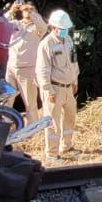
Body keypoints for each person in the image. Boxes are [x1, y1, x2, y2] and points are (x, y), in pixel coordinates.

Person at [36, 9, 80, 158]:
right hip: (54, 88)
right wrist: (48, 90)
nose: (65, 31)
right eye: (62, 29)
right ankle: (52, 153)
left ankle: (66, 147)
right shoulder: (46, 44)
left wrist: (75, 80)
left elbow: (74, 62)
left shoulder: (68, 40)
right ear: (54, 27)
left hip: (68, 87)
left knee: (70, 116)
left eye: (66, 28)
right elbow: (42, 70)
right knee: (52, 122)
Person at [4, 0, 47, 115]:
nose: (27, 11)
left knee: (30, 104)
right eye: (25, 9)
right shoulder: (16, 24)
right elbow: (2, 23)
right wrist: (12, 10)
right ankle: (3, 127)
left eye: (31, 9)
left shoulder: (37, 28)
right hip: (11, 69)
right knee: (6, 100)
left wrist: (32, 12)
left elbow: (44, 27)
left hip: (27, 70)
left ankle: (32, 131)